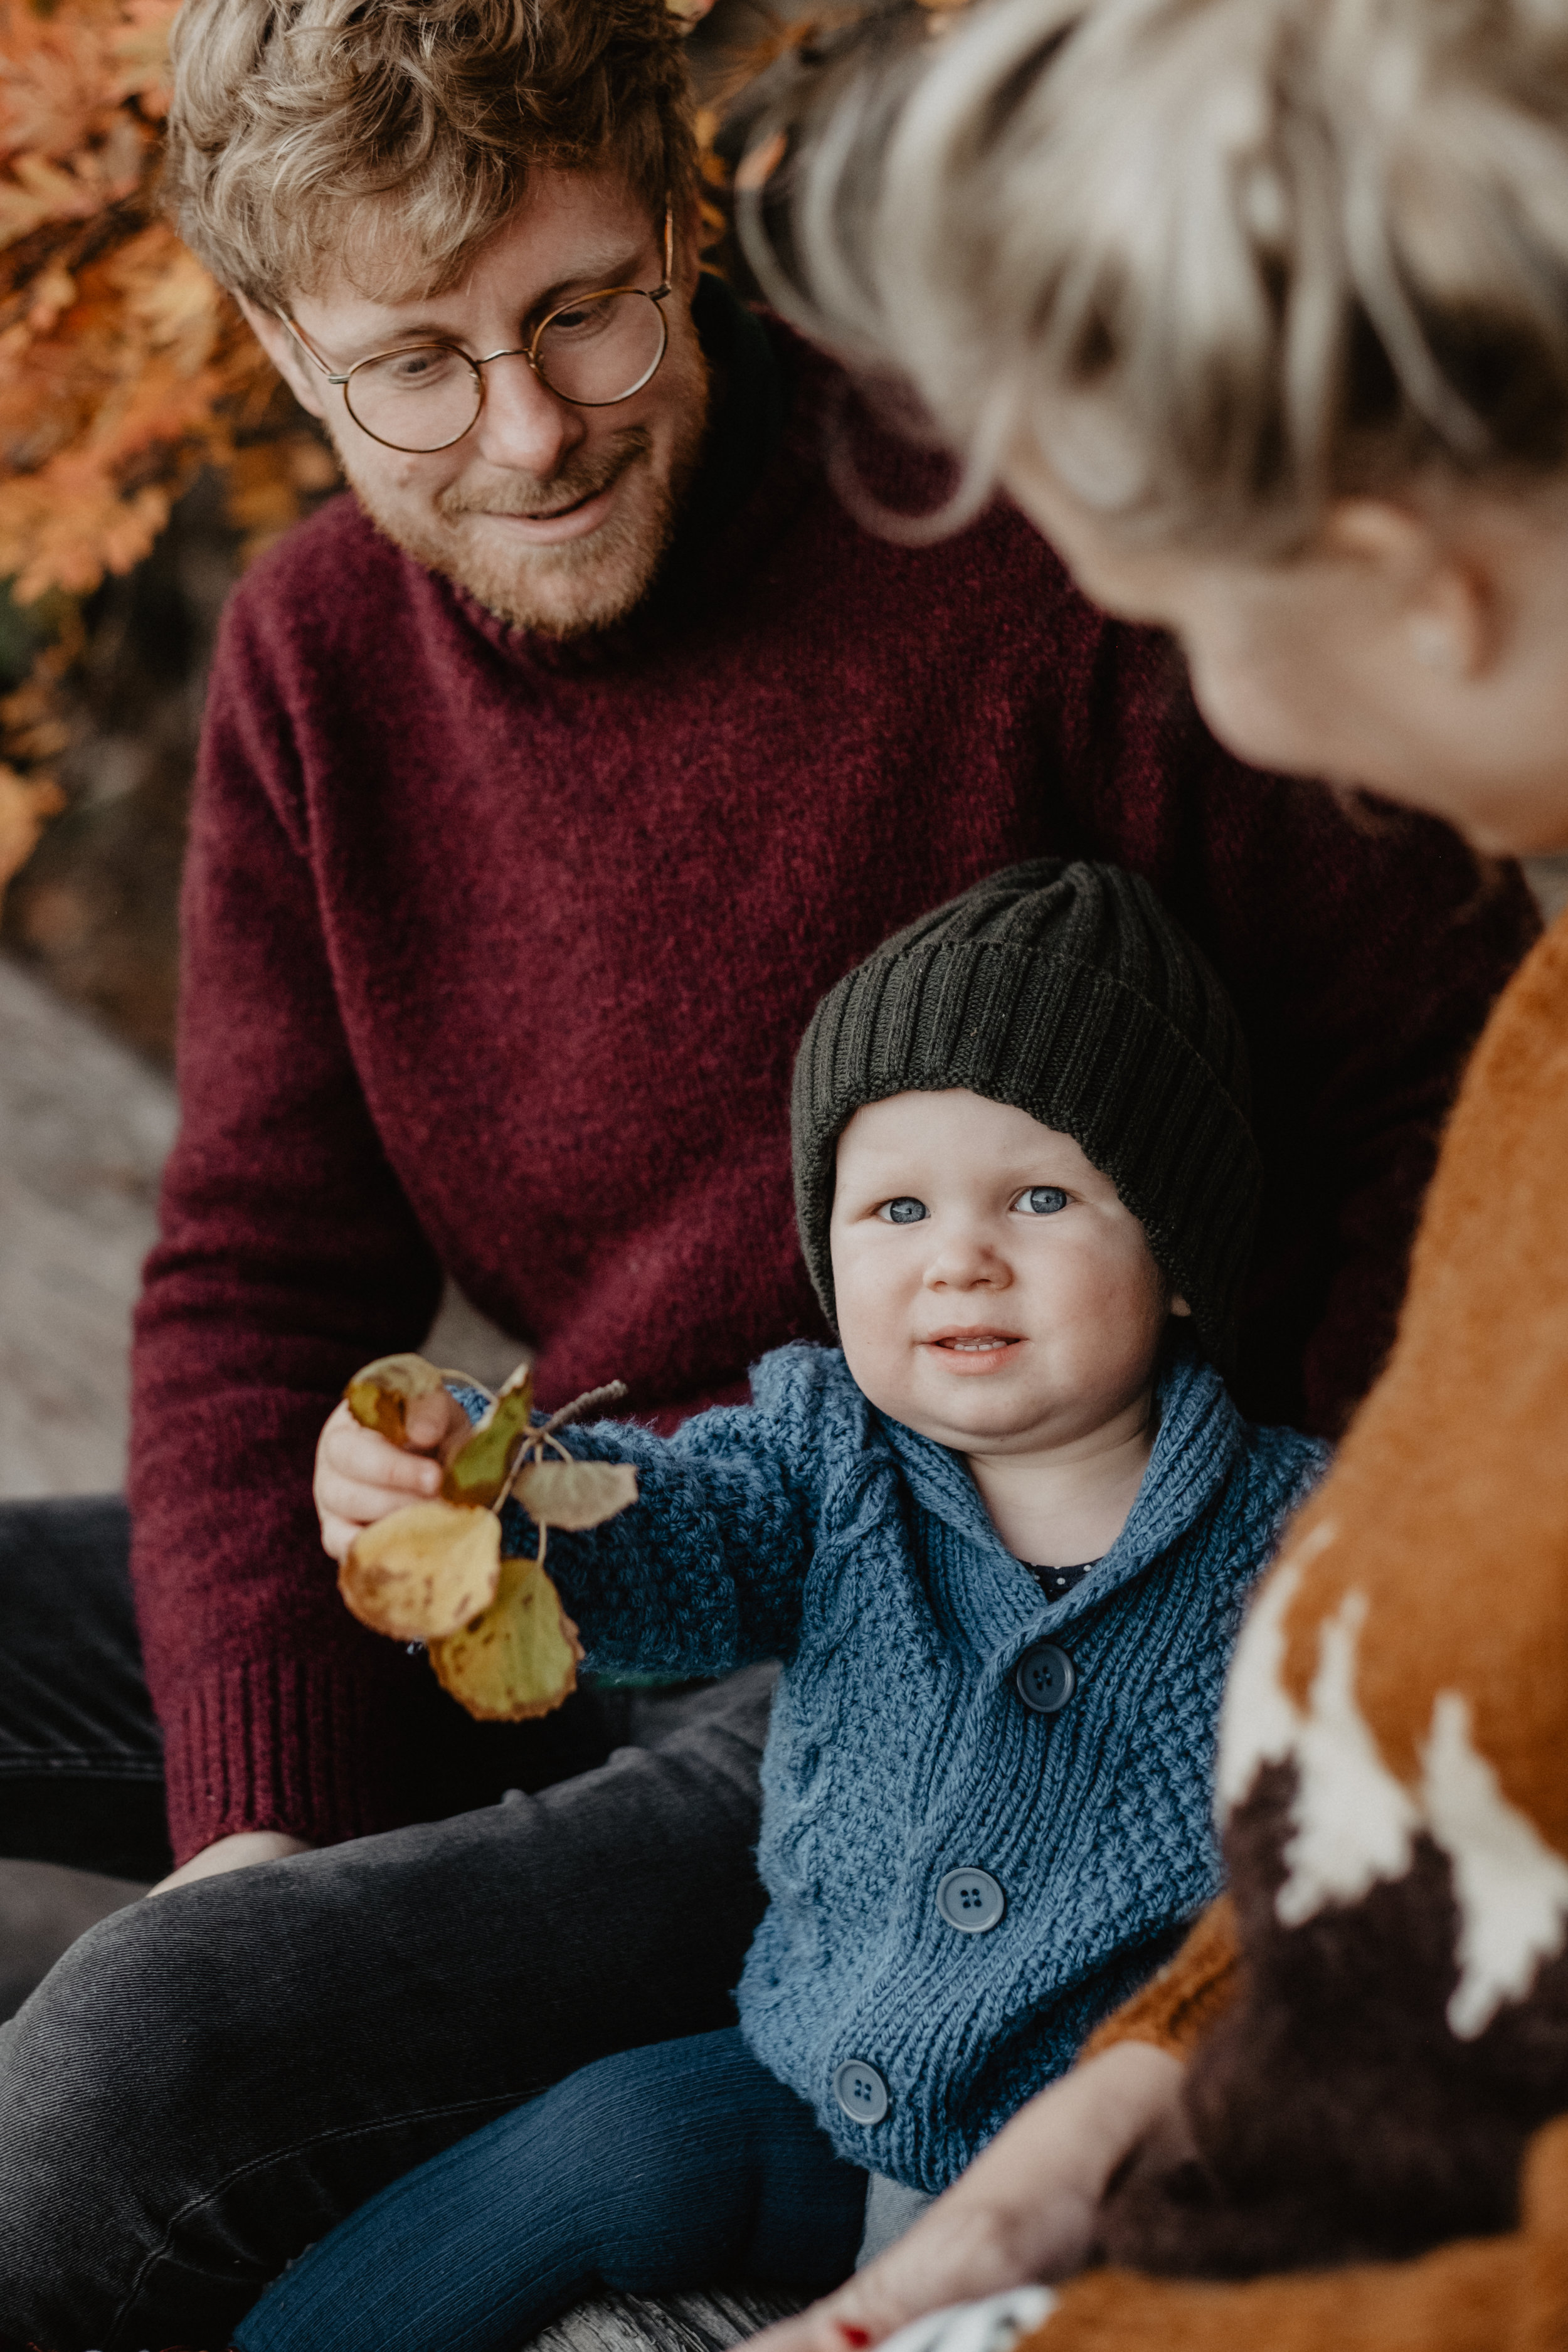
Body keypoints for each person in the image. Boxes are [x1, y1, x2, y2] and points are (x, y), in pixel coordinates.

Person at [0, 0, 1538, 2341]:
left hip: (945, 1604)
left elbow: (1424, 1109)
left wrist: (1204, 1624)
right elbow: (253, 1277)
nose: (524, 433)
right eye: (414, 360)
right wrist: (257, 1814)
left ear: (679, 218)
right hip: (592, 1518)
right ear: (286, 355)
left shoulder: (1042, 528)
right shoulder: (322, 663)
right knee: (206, 1936)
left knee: (128, 2069)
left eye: (578, 311)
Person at [716, 1, 1568, 2348]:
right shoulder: (1546, 1024)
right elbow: (1432, 1799)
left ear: (1418, 582)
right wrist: (1141, 2089)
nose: (1185, 688)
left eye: (1175, 603)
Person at [233, 858, 1327, 2350]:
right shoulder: (824, 1455)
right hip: (822, 2088)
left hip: (1099, 2185)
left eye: (1039, 1195)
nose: (959, 1255)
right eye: (892, 1206)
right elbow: (665, 1541)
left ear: (1180, 1257)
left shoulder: (1313, 1544)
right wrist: (476, 1496)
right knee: (607, 2143)